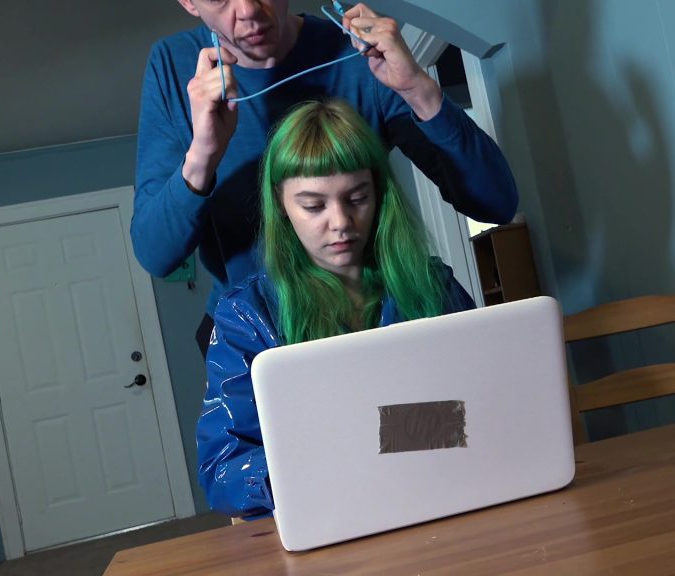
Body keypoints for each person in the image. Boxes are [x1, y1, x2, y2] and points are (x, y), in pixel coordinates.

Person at [132, 0, 518, 357]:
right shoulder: (173, 67)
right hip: (254, 336)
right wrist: (203, 153)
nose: (248, 9)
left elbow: (496, 203)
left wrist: (420, 90)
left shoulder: (360, 54)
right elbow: (156, 255)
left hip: (375, 319)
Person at [197, 99, 476, 519]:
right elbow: (223, 470)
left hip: (442, 498)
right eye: (313, 206)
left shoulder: (434, 284)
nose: (341, 222)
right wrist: (364, 449)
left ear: (378, 194)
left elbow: (480, 408)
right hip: (327, 517)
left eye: (357, 198)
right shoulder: (247, 315)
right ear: (281, 205)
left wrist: (349, 442)